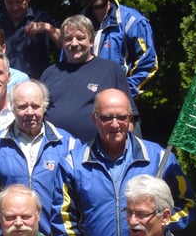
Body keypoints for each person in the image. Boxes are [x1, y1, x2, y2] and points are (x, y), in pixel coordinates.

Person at [51, 88, 196, 236]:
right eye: (106, 118)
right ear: (95, 119)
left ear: (130, 118)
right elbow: (63, 222)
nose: (115, 124)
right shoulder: (73, 164)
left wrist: (157, 223)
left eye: (121, 117)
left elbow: (187, 205)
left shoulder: (159, 158)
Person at [0, 80, 77, 236]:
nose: (30, 112)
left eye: (35, 106)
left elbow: (75, 204)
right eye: (22, 107)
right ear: (12, 108)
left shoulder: (68, 145)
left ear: (45, 107)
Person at [41, 14, 136, 143]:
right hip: (55, 149)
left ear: (91, 41)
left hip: (98, 150)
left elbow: (129, 117)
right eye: (68, 39)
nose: (74, 43)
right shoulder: (49, 73)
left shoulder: (110, 70)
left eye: (80, 38)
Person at [82, 0, 158, 99]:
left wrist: (124, 92)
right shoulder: (79, 23)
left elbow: (148, 63)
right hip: (84, 101)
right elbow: (66, 61)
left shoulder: (131, 21)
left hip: (118, 104)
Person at [0, 0, 61, 79]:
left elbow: (66, 45)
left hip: (37, 83)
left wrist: (49, 29)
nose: (15, 7)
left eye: (19, 2)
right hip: (6, 84)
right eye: (10, 2)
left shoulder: (42, 19)